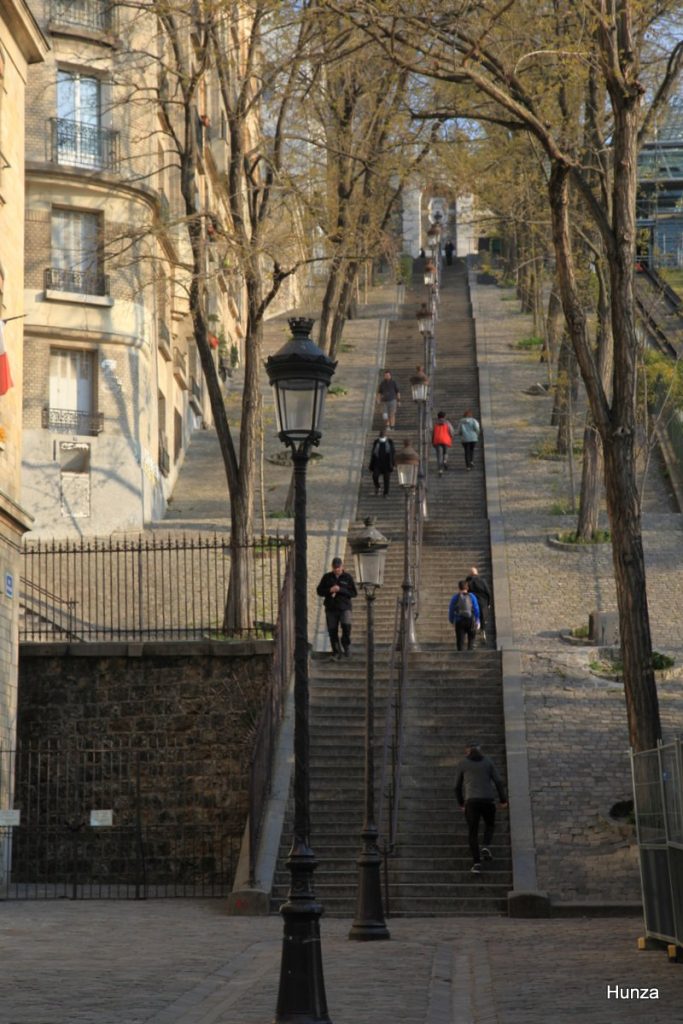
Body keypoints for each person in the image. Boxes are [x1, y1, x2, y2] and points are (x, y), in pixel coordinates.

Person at [454, 742, 508, 874]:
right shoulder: (488, 761)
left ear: (468, 752)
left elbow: (456, 786)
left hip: (471, 802)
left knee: (473, 832)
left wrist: (461, 803)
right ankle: (486, 845)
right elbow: (498, 781)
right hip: (488, 800)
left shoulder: (463, 763)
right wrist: (503, 800)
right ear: (480, 751)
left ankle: (477, 863)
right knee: (489, 824)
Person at [316, 556, 357, 659]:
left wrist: (340, 589)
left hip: (345, 607)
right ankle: (336, 651)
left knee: (346, 627)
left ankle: (346, 645)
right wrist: (330, 590)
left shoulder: (347, 577)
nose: (336, 569)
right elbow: (319, 591)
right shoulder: (327, 577)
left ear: (342, 566)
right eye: (335, 568)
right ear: (332, 567)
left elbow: (353, 593)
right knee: (332, 630)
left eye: (338, 567)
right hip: (331, 608)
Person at [448, 580, 480, 651]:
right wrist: (477, 620)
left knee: (460, 643)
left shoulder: (455, 597)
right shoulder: (472, 596)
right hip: (471, 621)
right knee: (471, 642)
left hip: (459, 621)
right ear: (467, 588)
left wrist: (452, 620)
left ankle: (460, 657)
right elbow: (476, 609)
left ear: (459, 588)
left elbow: (451, 609)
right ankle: (470, 657)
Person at [466, 566, 492, 642]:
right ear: (477, 573)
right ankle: (483, 631)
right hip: (483, 602)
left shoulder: (468, 581)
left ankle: (472, 636)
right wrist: (489, 603)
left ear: (470, 574)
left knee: (473, 618)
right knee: (482, 617)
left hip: (472, 601)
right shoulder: (482, 580)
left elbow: (465, 591)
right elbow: (488, 592)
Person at [369, 430, 396, 497]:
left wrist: (393, 463)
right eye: (381, 436)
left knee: (386, 479)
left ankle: (386, 493)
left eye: (382, 436)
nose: (381, 437)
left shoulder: (390, 442)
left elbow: (393, 453)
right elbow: (373, 454)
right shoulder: (376, 442)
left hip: (387, 464)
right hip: (377, 463)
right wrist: (371, 466)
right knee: (375, 476)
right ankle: (377, 486)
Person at [431, 411, 455, 476]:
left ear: (438, 416)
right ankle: (445, 461)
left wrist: (432, 441)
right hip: (446, 440)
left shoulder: (435, 423)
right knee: (445, 452)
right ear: (444, 416)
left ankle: (440, 470)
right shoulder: (447, 423)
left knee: (439, 456)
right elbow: (451, 431)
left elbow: (433, 433)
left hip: (437, 440)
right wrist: (451, 436)